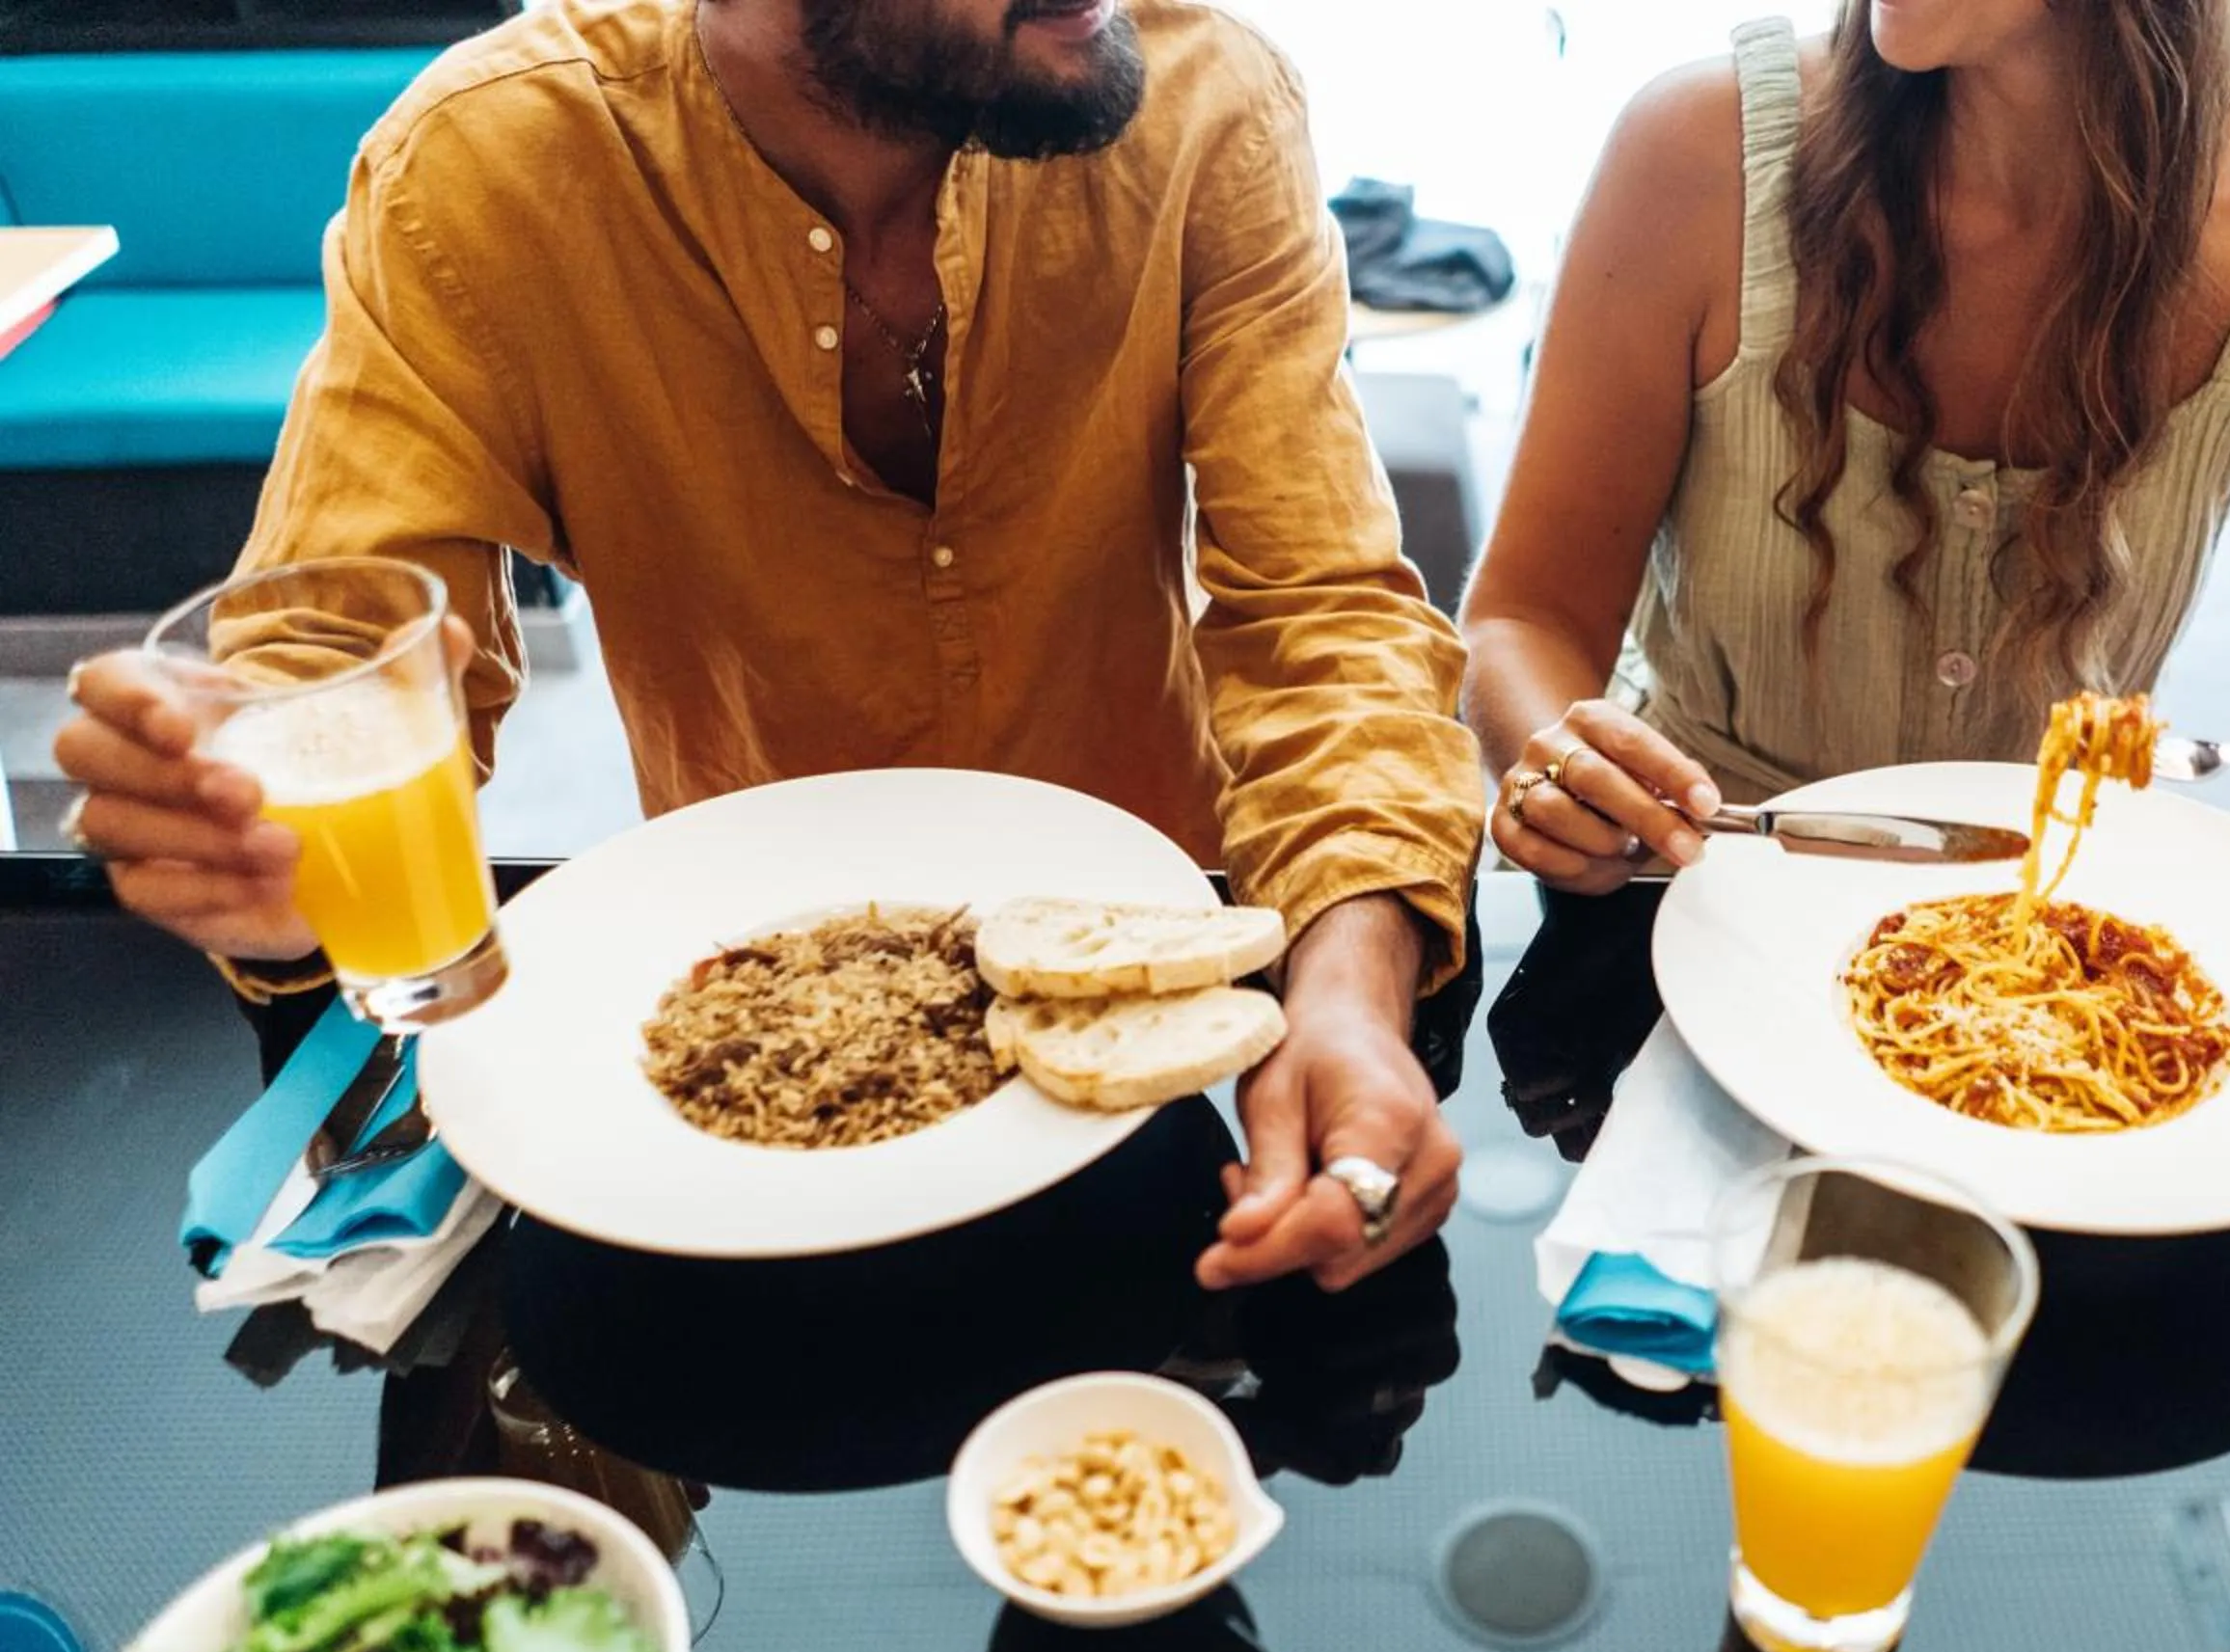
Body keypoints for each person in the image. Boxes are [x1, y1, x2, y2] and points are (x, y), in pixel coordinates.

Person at [50, 0, 1479, 1291]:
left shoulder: (1209, 99)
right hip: (731, 1054)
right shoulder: (484, 164)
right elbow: (335, 644)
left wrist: (1346, 998)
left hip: (1165, 1006)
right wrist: (254, 822)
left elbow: (1323, 613)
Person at [1464, 0, 2230, 890]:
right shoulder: (1698, 152)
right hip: (1696, 890)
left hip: (2043, 934)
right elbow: (1521, 616)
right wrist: (1556, 760)